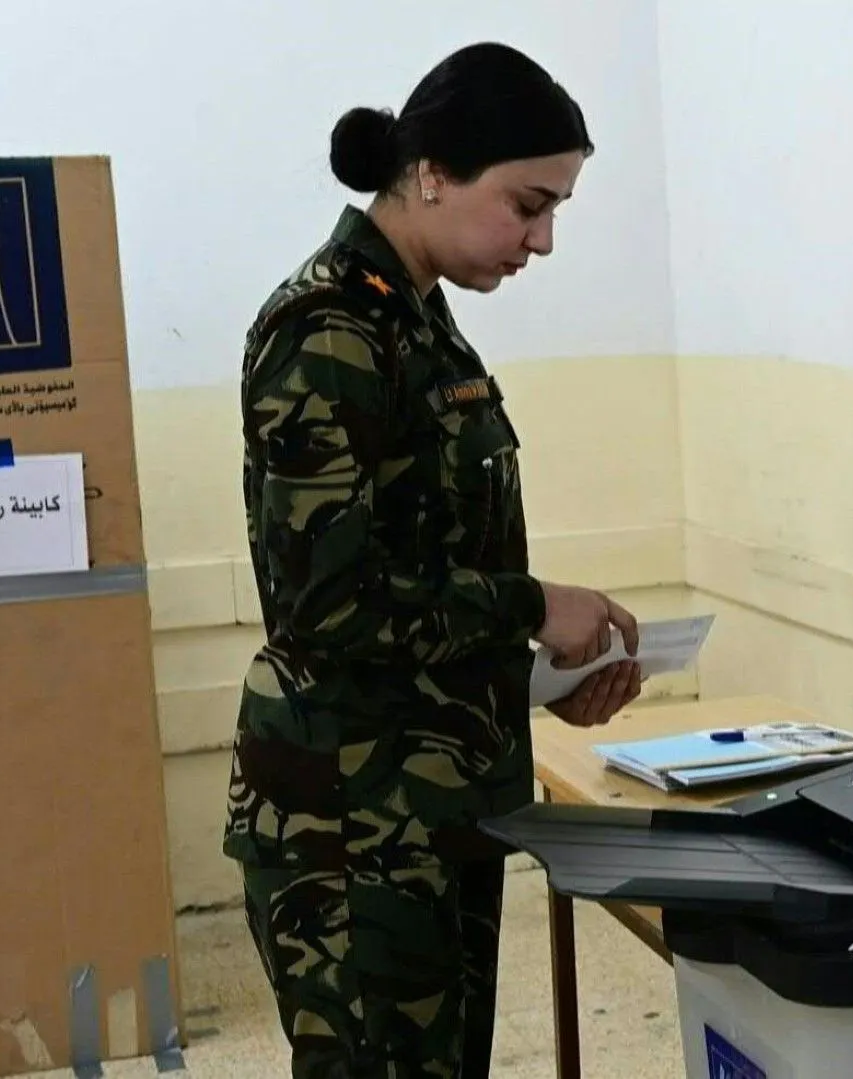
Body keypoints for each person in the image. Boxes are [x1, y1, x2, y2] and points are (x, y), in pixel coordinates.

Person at [222, 42, 643, 1078]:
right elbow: (330, 606)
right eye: (527, 204)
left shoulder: (417, 318)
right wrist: (532, 605)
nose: (541, 240)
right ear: (430, 174)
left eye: (556, 212)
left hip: (432, 802)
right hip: (353, 825)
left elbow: (423, 566)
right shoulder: (329, 329)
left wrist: (538, 680)